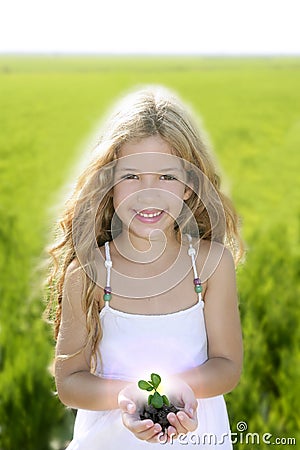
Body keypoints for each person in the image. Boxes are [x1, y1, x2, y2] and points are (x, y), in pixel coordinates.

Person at [47, 86, 244, 449]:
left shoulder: (210, 266)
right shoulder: (89, 273)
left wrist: (182, 391)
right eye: (132, 177)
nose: (148, 193)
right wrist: (127, 396)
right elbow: (70, 380)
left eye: (166, 177)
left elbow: (227, 364)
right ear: (109, 184)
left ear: (189, 185)